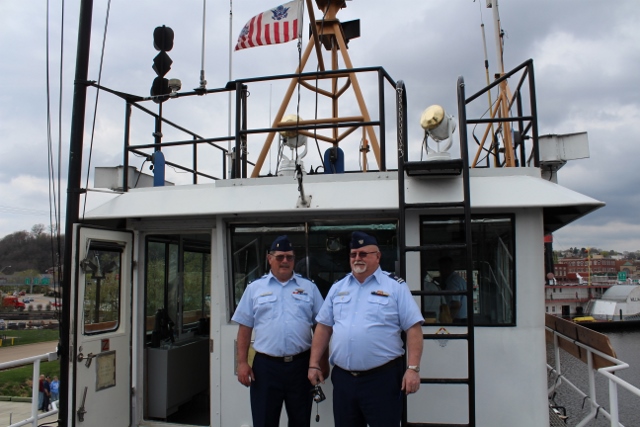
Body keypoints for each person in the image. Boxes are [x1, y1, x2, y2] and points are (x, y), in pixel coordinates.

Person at [308, 231, 424, 427]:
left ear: (377, 256)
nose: (357, 258)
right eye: (353, 254)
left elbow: (413, 328)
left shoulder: (395, 286)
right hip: (344, 380)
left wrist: (412, 369)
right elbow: (323, 328)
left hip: (382, 379)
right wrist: (313, 364)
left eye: (363, 254)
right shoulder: (338, 287)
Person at [232, 235, 327, 427]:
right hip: (266, 368)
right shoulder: (255, 289)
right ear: (270, 259)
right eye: (280, 256)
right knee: (264, 421)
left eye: (290, 257)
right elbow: (245, 327)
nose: (285, 261)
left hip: (301, 366)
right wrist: (242, 363)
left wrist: (321, 362)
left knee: (300, 421)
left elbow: (321, 327)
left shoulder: (308, 287)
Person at [437, 256, 467, 323]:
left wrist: (448, 321)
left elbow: (455, 305)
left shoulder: (453, 282)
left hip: (456, 319)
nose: (440, 272)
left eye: (440, 269)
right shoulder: (459, 279)